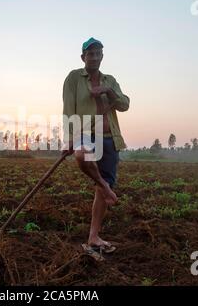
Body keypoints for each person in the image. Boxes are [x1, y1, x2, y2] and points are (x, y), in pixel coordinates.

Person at [62, 37, 130, 255]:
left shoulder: (110, 80)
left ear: (102, 56)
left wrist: (108, 91)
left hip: (110, 138)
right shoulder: (74, 78)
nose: (94, 57)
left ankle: (93, 237)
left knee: (99, 194)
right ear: (83, 57)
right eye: (90, 54)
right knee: (82, 156)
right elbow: (68, 110)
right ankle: (105, 185)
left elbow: (125, 104)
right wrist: (69, 138)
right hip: (85, 133)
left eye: (98, 53)